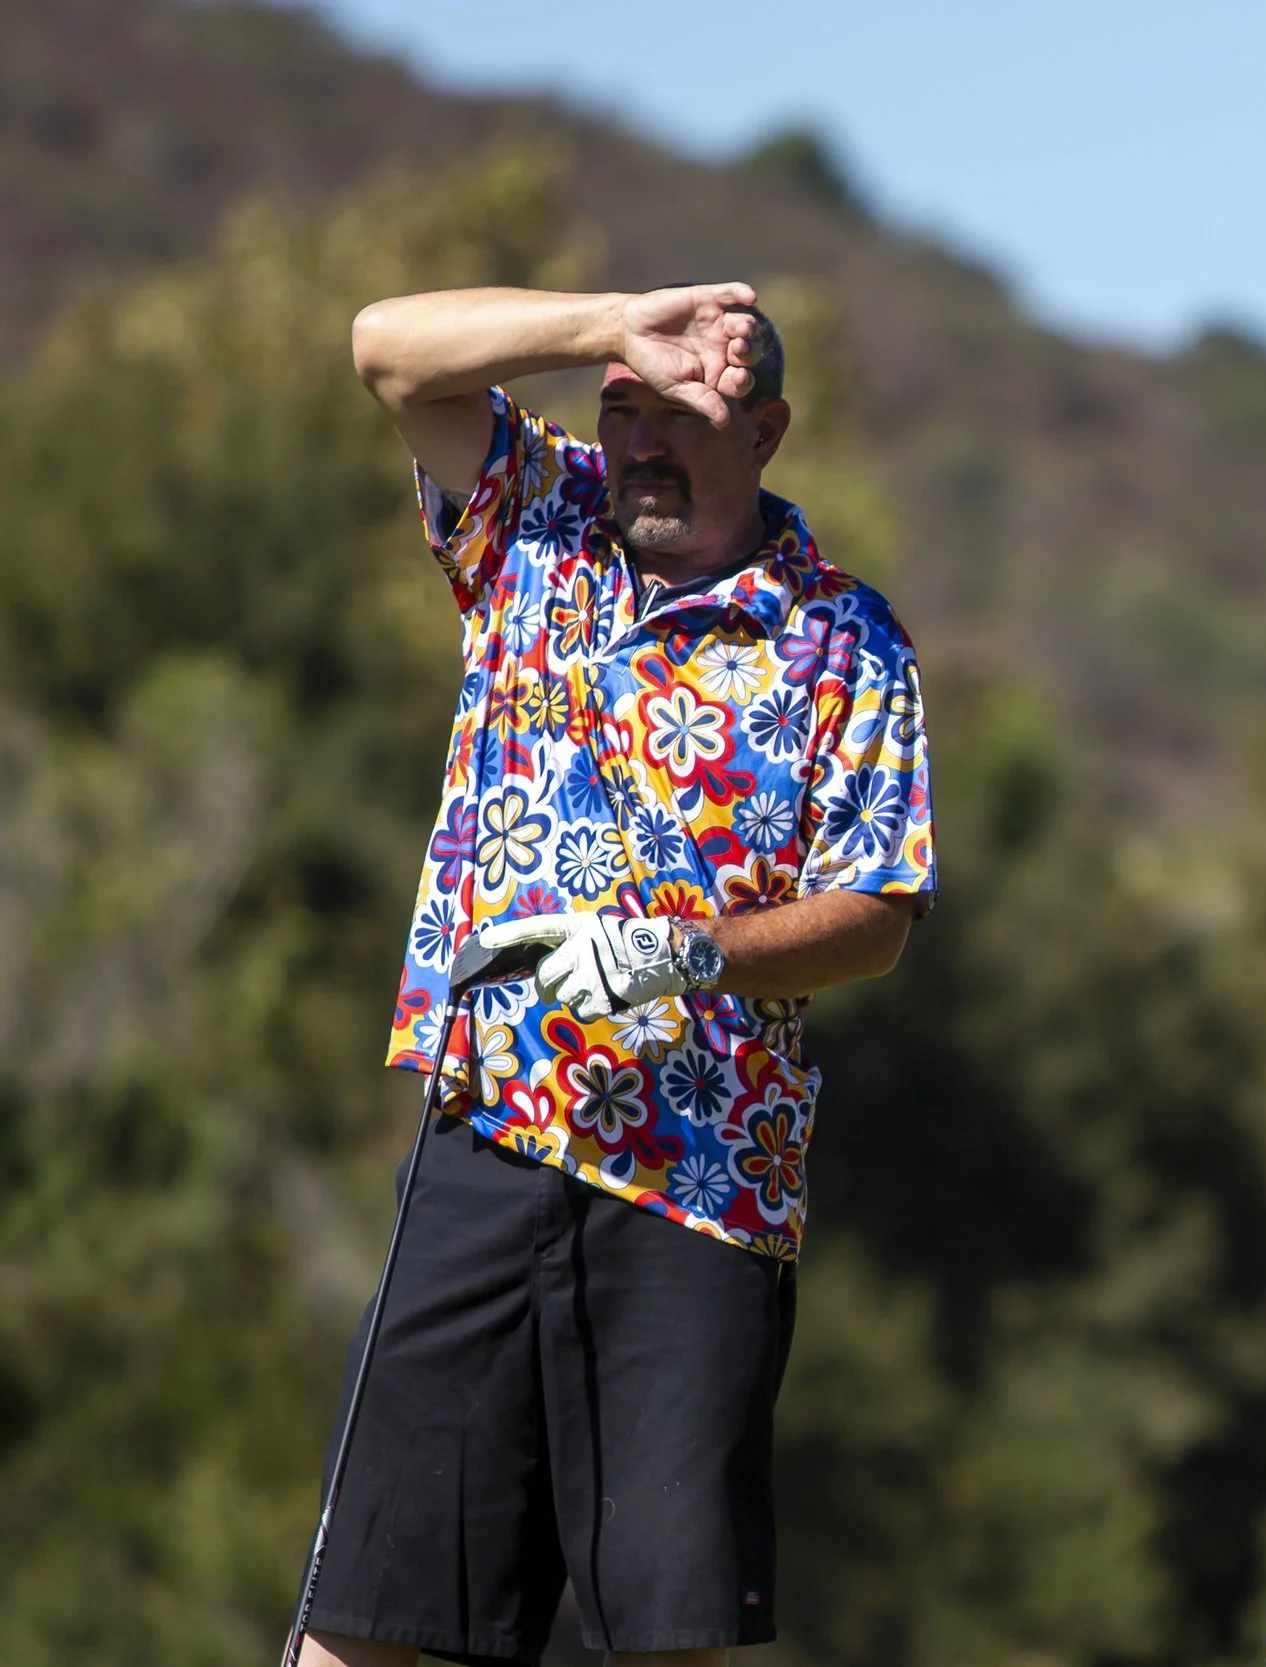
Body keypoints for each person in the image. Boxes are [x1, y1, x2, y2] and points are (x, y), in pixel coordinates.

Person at [301, 282, 936, 1667]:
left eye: (682, 416)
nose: (642, 444)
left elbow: (878, 909)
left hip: (699, 1187)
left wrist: (678, 953)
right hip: (485, 1139)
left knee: (668, 1635)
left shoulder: (846, 635)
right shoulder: (538, 520)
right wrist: (611, 324)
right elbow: (383, 350)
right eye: (622, 410)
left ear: (767, 432)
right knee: (358, 1621)